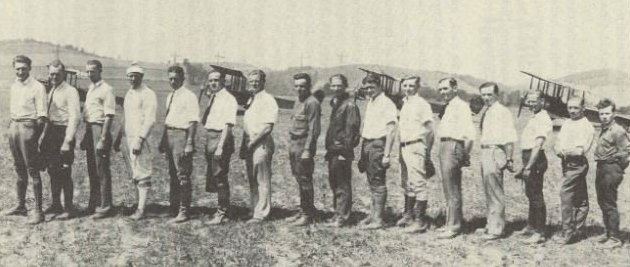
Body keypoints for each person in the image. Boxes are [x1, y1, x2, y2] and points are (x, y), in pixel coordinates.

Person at [3, 55, 48, 224]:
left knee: (32, 169)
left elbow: (42, 116)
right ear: (14, 69)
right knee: (18, 168)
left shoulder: (37, 87)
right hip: (14, 127)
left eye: (23, 68)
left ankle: (38, 211)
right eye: (17, 69)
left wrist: (35, 137)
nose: (20, 71)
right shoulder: (14, 85)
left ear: (30, 68)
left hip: (29, 128)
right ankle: (21, 206)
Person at [475, 82, 517, 240]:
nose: (486, 98)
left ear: (496, 95)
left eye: (489, 95)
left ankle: (497, 229)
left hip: (494, 151)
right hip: (486, 150)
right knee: (489, 190)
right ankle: (491, 223)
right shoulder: (489, 111)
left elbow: (509, 137)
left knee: (495, 191)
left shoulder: (502, 112)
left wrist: (509, 157)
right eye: (483, 95)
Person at [435, 77, 475, 239]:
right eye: (441, 90)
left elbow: (470, 135)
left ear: (455, 88)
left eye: (445, 89)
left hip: (453, 145)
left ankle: (455, 226)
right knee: (448, 187)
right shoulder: (450, 106)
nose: (443, 92)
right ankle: (449, 223)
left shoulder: (461, 106)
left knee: (453, 188)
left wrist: (464, 154)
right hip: (444, 145)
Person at [159, 65, 199, 223]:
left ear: (183, 79)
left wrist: (189, 142)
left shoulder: (189, 96)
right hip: (169, 135)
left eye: (176, 78)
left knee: (182, 174)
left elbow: (193, 121)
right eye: (170, 79)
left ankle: (184, 210)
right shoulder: (170, 96)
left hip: (182, 136)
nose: (173, 81)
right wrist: (163, 140)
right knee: (172, 174)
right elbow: (168, 120)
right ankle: (173, 207)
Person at [357, 73, 397, 230]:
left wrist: (386, 155)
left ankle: (378, 219)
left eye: (371, 88)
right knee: (371, 180)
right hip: (367, 143)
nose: (368, 91)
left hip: (378, 145)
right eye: (366, 88)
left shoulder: (386, 103)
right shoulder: (371, 102)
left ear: (380, 86)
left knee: (378, 181)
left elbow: (391, 130)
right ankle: (373, 214)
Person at [395, 76, 435, 233]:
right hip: (404, 146)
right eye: (405, 85)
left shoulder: (421, 104)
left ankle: (420, 221)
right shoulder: (405, 103)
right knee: (407, 182)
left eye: (411, 85)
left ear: (418, 87)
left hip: (416, 145)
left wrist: (427, 152)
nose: (407, 88)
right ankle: (408, 215)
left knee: (418, 183)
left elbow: (430, 130)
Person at [554, 97, 594, 244]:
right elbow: (557, 143)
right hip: (566, 164)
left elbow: (579, 151)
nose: (572, 111)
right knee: (581, 197)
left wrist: (563, 151)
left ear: (583, 108)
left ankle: (568, 232)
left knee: (565, 194)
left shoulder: (586, 126)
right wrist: (558, 149)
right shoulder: (567, 123)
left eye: (576, 108)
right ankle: (579, 229)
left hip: (577, 165)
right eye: (570, 107)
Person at [322, 74, 361, 228]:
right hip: (333, 150)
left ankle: (343, 217)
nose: (336, 88)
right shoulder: (336, 103)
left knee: (342, 183)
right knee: (335, 182)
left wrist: (345, 152)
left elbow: (351, 131)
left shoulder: (349, 105)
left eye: (339, 85)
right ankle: (338, 213)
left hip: (341, 151)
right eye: (333, 85)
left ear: (345, 86)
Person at [514, 90, 552, 244]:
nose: (531, 103)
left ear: (542, 101)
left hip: (535, 159)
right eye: (529, 100)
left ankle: (540, 232)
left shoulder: (543, 118)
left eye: (534, 100)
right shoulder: (535, 116)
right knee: (530, 193)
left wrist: (528, 166)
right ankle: (531, 225)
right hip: (529, 157)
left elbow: (537, 145)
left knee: (536, 195)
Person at [240, 69, 278, 223]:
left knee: (262, 179)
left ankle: (262, 213)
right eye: (252, 81)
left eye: (257, 80)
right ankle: (254, 210)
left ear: (263, 82)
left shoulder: (268, 100)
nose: (254, 83)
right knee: (252, 178)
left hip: (261, 142)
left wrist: (253, 142)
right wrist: (245, 144)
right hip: (250, 142)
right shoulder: (252, 99)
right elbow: (247, 124)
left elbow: (268, 127)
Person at [201, 70, 238, 225]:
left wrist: (220, 147)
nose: (213, 83)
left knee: (220, 176)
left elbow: (227, 125)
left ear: (223, 81)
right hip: (210, 137)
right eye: (211, 80)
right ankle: (223, 210)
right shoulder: (214, 97)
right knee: (215, 176)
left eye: (216, 80)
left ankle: (222, 213)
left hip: (220, 138)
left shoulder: (229, 99)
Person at [122, 63, 157, 221]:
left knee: (142, 173)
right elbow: (127, 117)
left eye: (136, 76)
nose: (133, 78)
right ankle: (138, 205)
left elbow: (150, 120)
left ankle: (142, 209)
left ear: (141, 77)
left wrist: (140, 140)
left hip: (141, 139)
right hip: (129, 138)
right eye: (130, 76)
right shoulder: (129, 93)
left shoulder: (148, 93)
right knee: (134, 173)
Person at [286, 73, 321, 226]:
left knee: (305, 179)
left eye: (302, 86)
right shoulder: (297, 101)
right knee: (299, 178)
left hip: (303, 145)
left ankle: (307, 215)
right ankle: (304, 209)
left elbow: (314, 129)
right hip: (294, 144)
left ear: (308, 87)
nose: (299, 89)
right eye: (297, 86)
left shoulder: (312, 102)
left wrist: (307, 150)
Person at [83, 60, 117, 219]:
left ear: (100, 71)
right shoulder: (91, 88)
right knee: (92, 169)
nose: (90, 74)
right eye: (88, 71)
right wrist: (85, 134)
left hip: (100, 129)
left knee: (102, 170)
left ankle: (106, 205)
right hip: (90, 129)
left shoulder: (107, 89)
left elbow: (109, 116)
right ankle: (94, 202)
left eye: (93, 71)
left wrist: (103, 138)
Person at [593, 98, 629, 249]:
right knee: (602, 201)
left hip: (611, 169)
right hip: (601, 168)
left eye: (607, 113)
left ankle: (614, 238)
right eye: (601, 114)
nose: (604, 116)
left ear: (614, 113)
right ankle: (608, 232)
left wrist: (618, 168)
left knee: (609, 203)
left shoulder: (618, 131)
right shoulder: (604, 128)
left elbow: (627, 152)